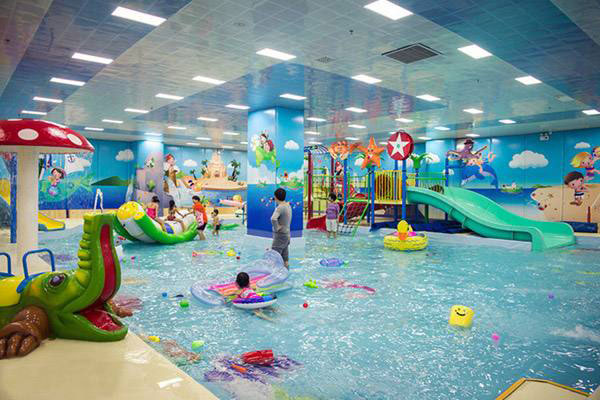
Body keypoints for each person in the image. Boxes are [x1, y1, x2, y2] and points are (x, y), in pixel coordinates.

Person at [270, 188, 291, 268]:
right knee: (285, 259)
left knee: (274, 258)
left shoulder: (280, 207)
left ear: (275, 197)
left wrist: (277, 227)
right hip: (287, 235)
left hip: (280, 236)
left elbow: (273, 218)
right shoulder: (288, 205)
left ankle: (274, 273)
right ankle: (286, 272)